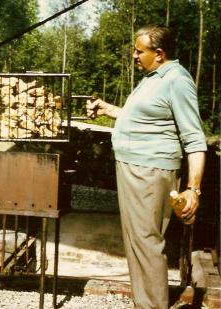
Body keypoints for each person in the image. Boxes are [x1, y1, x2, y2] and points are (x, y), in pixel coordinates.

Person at [86, 25, 206, 309]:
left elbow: (194, 138)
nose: (134, 56)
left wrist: (193, 189)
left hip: (150, 171)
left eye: (140, 51)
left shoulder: (176, 80)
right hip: (134, 167)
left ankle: (152, 306)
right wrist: (108, 109)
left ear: (160, 54)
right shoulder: (153, 77)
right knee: (137, 243)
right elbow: (144, 118)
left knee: (146, 243)